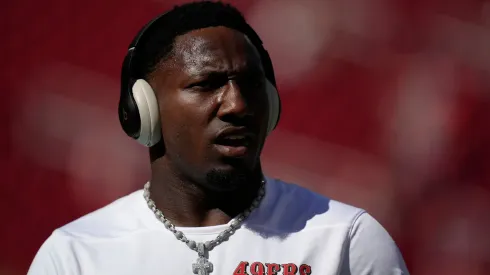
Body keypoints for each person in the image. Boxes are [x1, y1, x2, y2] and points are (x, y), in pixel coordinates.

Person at [27, 1, 409, 274]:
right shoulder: (75, 255)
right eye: (206, 84)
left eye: (250, 85)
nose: (236, 104)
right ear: (144, 110)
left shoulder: (346, 240)